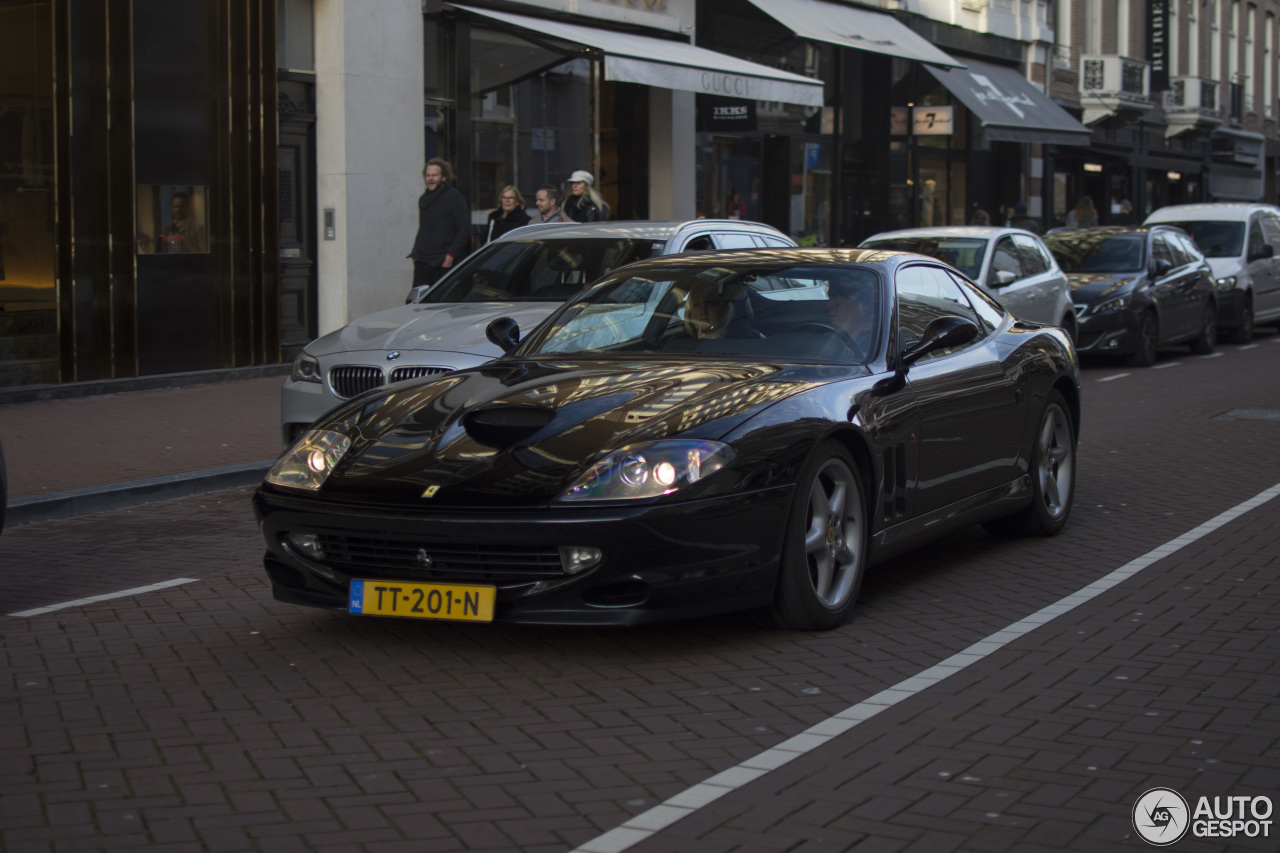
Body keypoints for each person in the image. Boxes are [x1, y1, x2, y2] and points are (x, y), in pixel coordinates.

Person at [409, 158, 470, 292]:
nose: (430, 179)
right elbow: (423, 227)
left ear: (444, 177)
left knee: (441, 305)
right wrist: (415, 251)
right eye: (428, 175)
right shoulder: (423, 199)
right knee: (417, 304)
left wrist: (450, 257)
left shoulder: (455, 198)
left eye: (434, 175)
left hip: (443, 261)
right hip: (423, 260)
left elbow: (464, 229)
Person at [826, 277, 877, 361]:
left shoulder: (881, 340)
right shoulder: (822, 334)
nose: (828, 306)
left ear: (864, 305)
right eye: (830, 298)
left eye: (839, 300)